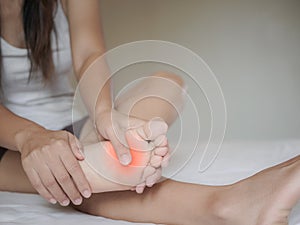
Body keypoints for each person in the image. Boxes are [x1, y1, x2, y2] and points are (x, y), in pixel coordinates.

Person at [0, 1, 299, 225]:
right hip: (10, 141)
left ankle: (110, 157)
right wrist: (31, 138)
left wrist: (105, 115)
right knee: (84, 177)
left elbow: (88, 55)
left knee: (167, 84)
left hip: (72, 127)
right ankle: (228, 204)